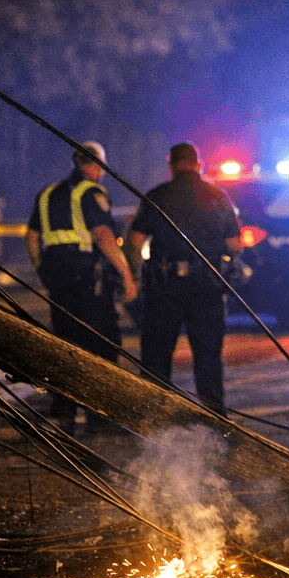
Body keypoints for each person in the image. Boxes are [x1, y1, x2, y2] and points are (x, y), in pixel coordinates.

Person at [25, 140, 139, 432]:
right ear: (94, 165)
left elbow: (31, 238)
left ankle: (65, 413)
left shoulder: (47, 193)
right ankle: (99, 418)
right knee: (101, 343)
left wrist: (43, 272)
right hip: (88, 281)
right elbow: (103, 235)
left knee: (65, 345)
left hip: (58, 282)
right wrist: (126, 275)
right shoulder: (91, 192)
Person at [128, 142, 242, 414]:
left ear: (171, 165)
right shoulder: (217, 195)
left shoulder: (158, 195)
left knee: (156, 357)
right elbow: (235, 244)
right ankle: (215, 418)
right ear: (198, 165)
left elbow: (135, 240)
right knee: (208, 357)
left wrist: (134, 276)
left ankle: (154, 417)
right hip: (207, 286)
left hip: (164, 287)